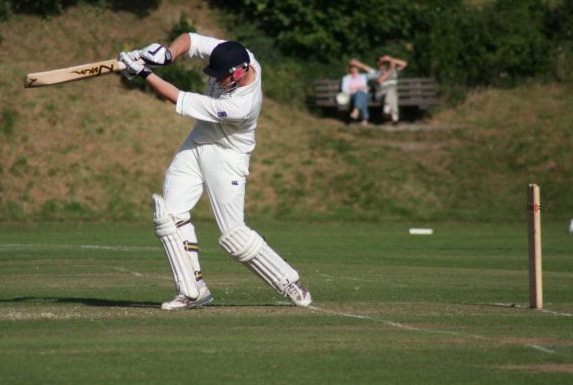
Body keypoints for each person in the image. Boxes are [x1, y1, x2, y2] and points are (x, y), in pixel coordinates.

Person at [118, 33, 312, 310]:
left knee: (234, 236)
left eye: (222, 76)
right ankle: (193, 291)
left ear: (240, 72)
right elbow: (190, 39)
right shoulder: (235, 53)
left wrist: (144, 72)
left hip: (227, 156)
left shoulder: (241, 105)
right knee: (169, 217)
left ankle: (287, 281)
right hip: (198, 142)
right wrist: (168, 55)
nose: (218, 80)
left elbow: (176, 97)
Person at [354, 55, 407, 125]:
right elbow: (380, 80)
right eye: (381, 63)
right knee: (391, 92)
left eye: (385, 63)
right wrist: (390, 70)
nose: (383, 65)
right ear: (378, 64)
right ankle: (394, 116)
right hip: (380, 94)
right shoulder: (376, 73)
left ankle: (387, 110)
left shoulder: (393, 71)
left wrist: (390, 59)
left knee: (391, 92)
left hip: (391, 93)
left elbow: (404, 64)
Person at [341, 59, 369, 126]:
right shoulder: (346, 78)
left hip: (363, 94)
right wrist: (358, 87)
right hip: (351, 95)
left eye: (355, 68)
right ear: (350, 69)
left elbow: (374, 73)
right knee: (361, 96)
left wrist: (353, 88)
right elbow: (344, 89)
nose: (354, 69)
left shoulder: (363, 76)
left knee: (360, 94)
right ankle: (365, 119)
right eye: (352, 68)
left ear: (358, 69)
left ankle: (356, 110)